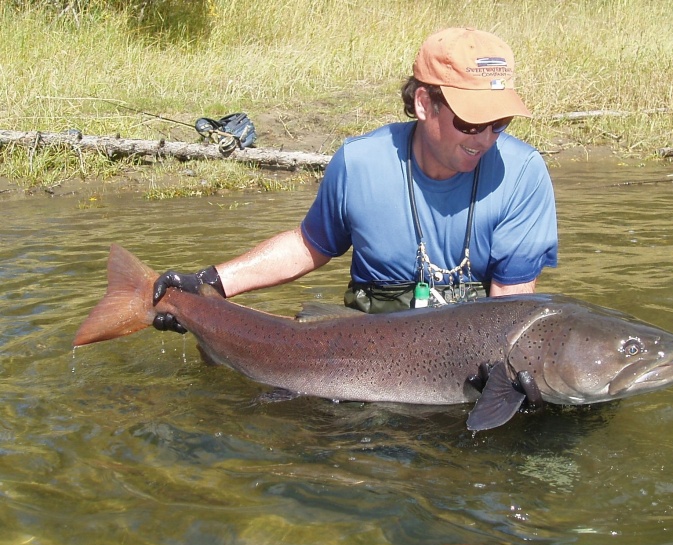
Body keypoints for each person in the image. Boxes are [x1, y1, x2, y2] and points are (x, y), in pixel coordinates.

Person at [152, 27, 557, 331]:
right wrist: (210, 285)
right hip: (361, 353)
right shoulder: (360, 162)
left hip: (465, 359)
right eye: (470, 122)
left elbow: (510, 310)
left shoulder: (522, 174)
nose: (485, 139)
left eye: (499, 122)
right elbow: (310, 244)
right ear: (423, 103)